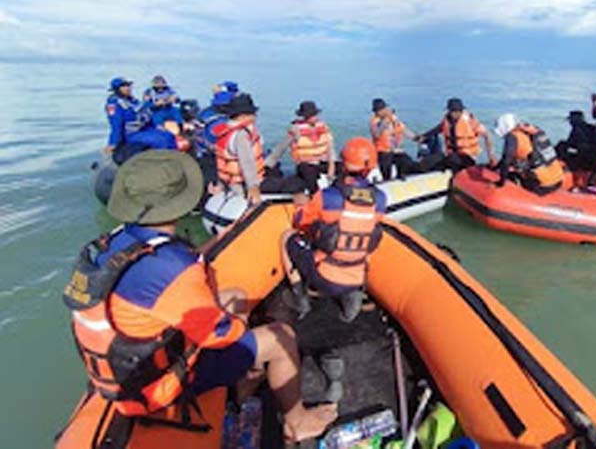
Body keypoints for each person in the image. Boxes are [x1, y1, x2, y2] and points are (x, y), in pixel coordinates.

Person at [62, 151, 336, 442]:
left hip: (128, 368)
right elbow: (219, 334)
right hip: (157, 387)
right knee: (282, 337)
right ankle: (296, 422)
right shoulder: (173, 269)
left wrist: (220, 240)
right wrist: (242, 331)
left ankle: (242, 385)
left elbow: (157, 279)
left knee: (235, 295)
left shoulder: (116, 241)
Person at [281, 137, 386, 323]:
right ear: (371, 167)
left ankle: (300, 298)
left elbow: (300, 222)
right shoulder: (381, 199)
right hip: (357, 276)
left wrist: (301, 206)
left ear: (343, 164)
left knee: (287, 237)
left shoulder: (327, 197)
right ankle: (352, 301)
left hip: (323, 275)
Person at [105, 77, 176, 164]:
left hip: (144, 129)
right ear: (117, 89)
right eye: (124, 86)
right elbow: (116, 125)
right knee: (161, 141)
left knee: (168, 135)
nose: (128, 88)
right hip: (131, 134)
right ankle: (164, 163)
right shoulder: (115, 104)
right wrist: (113, 143)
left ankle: (175, 160)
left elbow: (145, 114)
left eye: (128, 85)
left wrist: (156, 126)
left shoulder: (133, 101)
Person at [209, 94, 265, 205]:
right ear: (243, 115)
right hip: (241, 186)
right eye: (252, 113)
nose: (255, 116)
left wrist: (220, 185)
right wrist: (253, 187)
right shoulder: (241, 135)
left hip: (229, 183)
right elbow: (247, 163)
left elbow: (223, 162)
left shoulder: (226, 132)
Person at [269, 101, 335, 194]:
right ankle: (314, 195)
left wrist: (331, 166)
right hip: (306, 164)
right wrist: (269, 163)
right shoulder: (296, 129)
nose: (312, 118)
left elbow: (330, 148)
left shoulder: (323, 127)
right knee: (310, 175)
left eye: (314, 115)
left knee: (342, 169)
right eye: (309, 116)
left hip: (322, 162)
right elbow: (282, 147)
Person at [414, 98, 495, 172]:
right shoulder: (447, 120)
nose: (456, 113)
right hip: (451, 155)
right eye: (453, 111)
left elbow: (487, 135)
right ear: (449, 111)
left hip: (468, 157)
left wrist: (491, 155)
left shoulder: (470, 121)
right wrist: (423, 136)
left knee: (452, 159)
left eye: (459, 111)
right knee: (431, 160)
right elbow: (438, 129)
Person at [493, 113, 563, 195]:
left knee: (512, 173)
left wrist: (500, 183)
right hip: (558, 179)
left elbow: (506, 161)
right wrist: (495, 167)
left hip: (542, 185)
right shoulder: (531, 132)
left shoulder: (512, 137)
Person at [369, 98, 417, 181]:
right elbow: (377, 134)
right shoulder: (374, 121)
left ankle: (401, 176)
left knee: (406, 161)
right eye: (381, 110)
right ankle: (387, 180)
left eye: (385, 109)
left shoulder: (393, 119)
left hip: (395, 150)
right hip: (383, 152)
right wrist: (385, 121)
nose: (385, 111)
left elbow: (403, 129)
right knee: (386, 167)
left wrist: (415, 137)